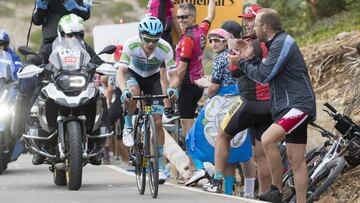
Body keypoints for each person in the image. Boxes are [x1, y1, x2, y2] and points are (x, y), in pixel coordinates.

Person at [228, 8, 316, 203]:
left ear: (265, 27)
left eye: (256, 25)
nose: (253, 28)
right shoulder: (272, 44)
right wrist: (246, 54)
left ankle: (276, 189)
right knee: (296, 161)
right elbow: (262, 67)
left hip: (298, 104)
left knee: (267, 139)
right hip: (288, 105)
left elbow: (264, 75)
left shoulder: (283, 42)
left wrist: (241, 62)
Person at [12, 14, 106, 166]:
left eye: (78, 34)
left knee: (99, 97)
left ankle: (97, 142)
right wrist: (31, 64)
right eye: (70, 34)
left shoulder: (85, 48)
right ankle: (34, 141)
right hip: (55, 84)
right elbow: (38, 57)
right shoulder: (50, 47)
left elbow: (97, 60)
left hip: (80, 85)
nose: (74, 38)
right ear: (61, 33)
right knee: (37, 95)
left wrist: (105, 65)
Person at [207, 11, 274, 199]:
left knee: (222, 134)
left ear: (263, 24)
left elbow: (235, 71)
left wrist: (233, 54)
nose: (247, 23)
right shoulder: (273, 44)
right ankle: (264, 193)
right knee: (261, 155)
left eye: (252, 20)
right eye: (245, 19)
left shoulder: (251, 45)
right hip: (269, 104)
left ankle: (217, 179)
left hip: (249, 101)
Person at [186, 28, 254, 198]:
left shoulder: (219, 60)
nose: (214, 43)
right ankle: (228, 192)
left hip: (220, 103)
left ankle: (203, 170)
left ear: (226, 41)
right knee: (231, 150)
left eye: (218, 40)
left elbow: (214, 88)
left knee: (193, 136)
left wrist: (205, 85)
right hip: (239, 102)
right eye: (211, 40)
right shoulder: (239, 54)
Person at [116, 16, 179, 182]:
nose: (151, 44)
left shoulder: (165, 48)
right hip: (133, 74)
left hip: (152, 78)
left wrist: (172, 88)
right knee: (133, 91)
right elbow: (121, 72)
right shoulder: (131, 44)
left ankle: (159, 166)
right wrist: (124, 91)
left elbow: (174, 75)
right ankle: (128, 125)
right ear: (140, 35)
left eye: (155, 40)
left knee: (158, 122)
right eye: (148, 39)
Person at [175, 0, 216, 174]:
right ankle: (195, 163)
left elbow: (181, 69)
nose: (180, 20)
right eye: (178, 17)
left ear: (192, 17)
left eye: (184, 17)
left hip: (186, 86)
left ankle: (193, 167)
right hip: (198, 83)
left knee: (188, 131)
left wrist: (172, 88)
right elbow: (210, 15)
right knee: (191, 127)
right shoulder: (201, 30)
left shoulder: (187, 40)